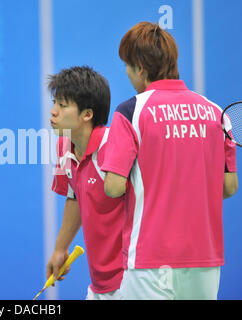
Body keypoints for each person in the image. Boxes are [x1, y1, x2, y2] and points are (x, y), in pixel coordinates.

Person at [101, 22, 238, 300]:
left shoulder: (131, 111)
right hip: (205, 261)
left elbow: (113, 187)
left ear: (140, 67)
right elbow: (228, 187)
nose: (127, 74)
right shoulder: (215, 113)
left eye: (127, 66)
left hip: (150, 261)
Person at [47, 66, 124, 300]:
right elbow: (74, 196)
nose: (53, 112)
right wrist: (60, 248)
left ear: (87, 114)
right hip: (100, 282)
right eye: (54, 103)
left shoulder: (115, 147)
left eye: (62, 105)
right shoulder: (64, 146)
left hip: (134, 277)